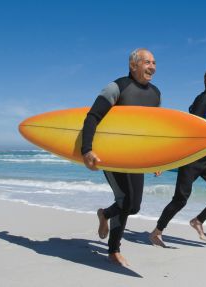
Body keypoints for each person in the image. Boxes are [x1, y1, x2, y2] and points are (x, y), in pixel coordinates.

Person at [81, 48, 161, 266]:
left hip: (136, 157)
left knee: (134, 206)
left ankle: (105, 214)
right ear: (133, 65)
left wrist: (158, 159)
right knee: (125, 201)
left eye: (154, 62)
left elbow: (152, 130)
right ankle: (113, 251)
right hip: (113, 154)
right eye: (147, 62)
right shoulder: (117, 87)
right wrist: (87, 149)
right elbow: (92, 117)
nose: (152, 67)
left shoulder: (155, 94)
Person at [149, 67, 206, 247]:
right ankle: (157, 232)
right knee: (180, 199)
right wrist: (164, 161)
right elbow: (190, 133)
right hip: (192, 159)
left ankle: (198, 221)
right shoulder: (202, 100)